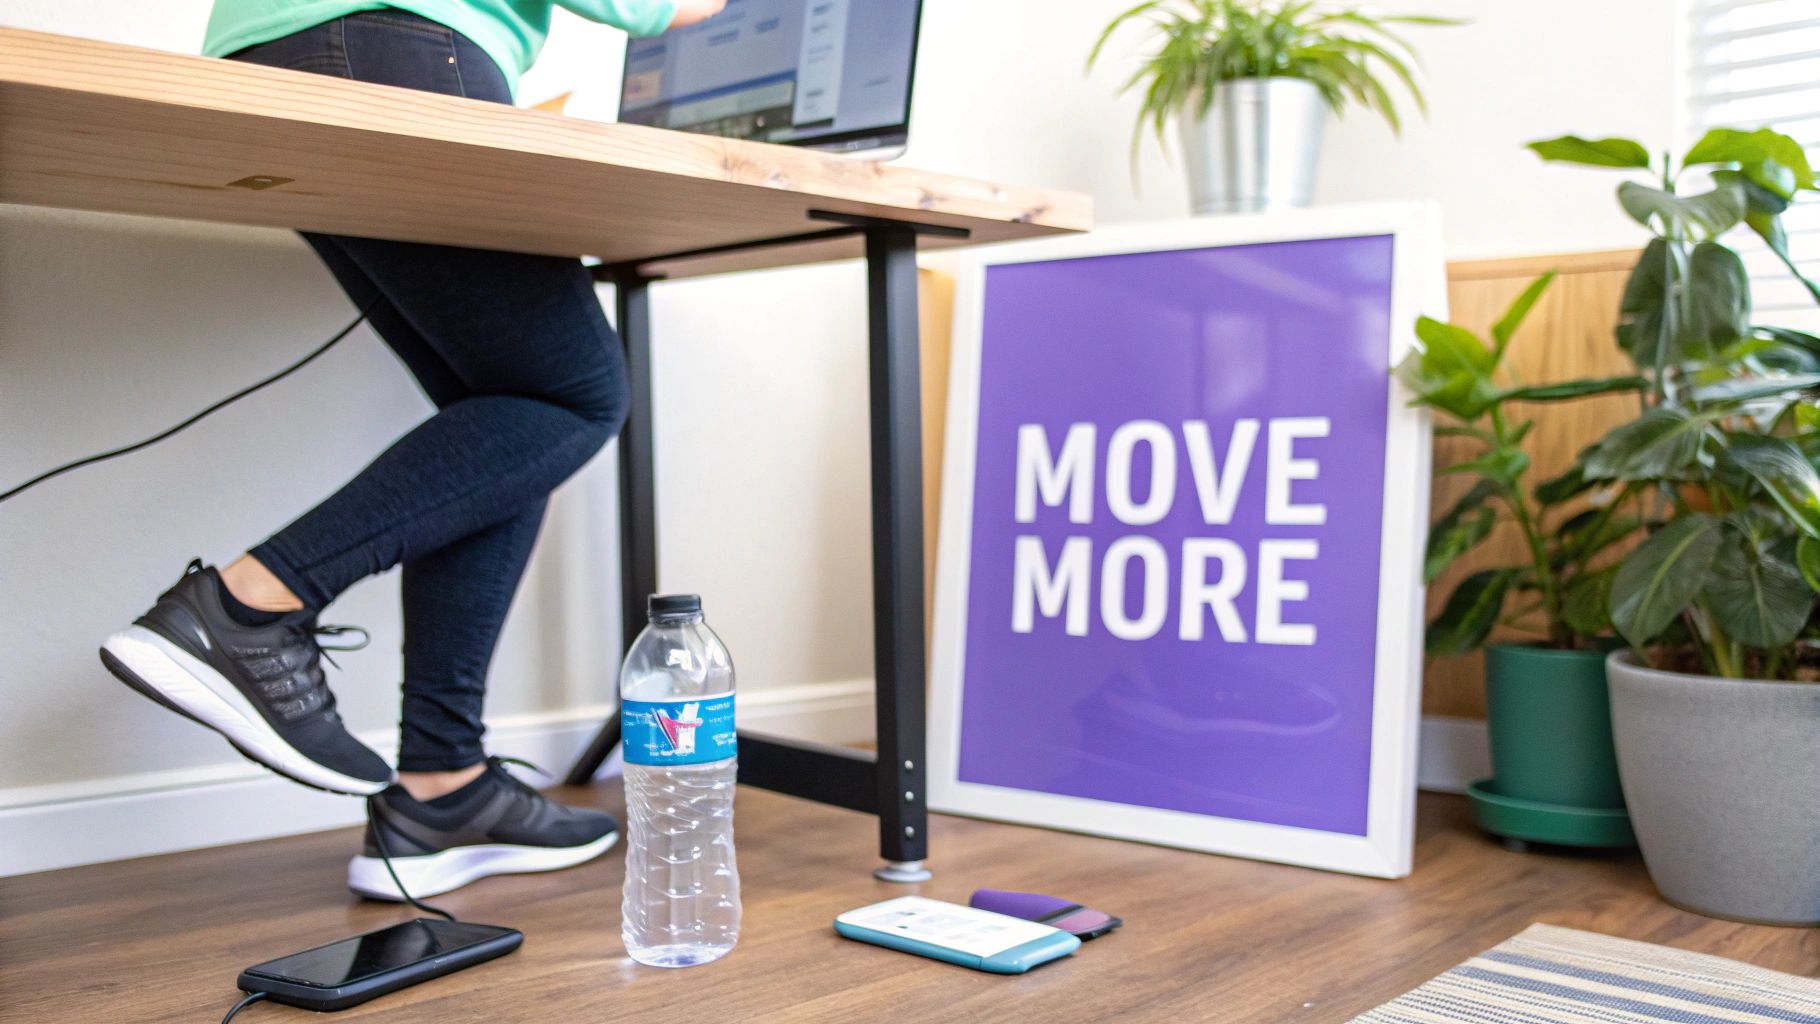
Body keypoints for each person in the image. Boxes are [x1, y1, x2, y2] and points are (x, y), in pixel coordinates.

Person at [98, 0, 727, 901]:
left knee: (506, 418)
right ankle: (244, 606)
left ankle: (442, 787)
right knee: (576, 394)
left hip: (279, 53)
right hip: (390, 41)